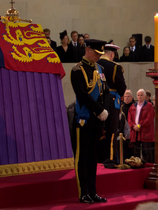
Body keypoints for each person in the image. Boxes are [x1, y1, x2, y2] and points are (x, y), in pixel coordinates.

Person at [71, 39, 110, 204]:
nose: (99, 56)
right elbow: (82, 95)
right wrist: (99, 110)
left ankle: (93, 192)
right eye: (97, 53)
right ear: (88, 50)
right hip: (84, 121)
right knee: (83, 158)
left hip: (97, 121)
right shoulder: (77, 70)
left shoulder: (100, 69)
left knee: (93, 158)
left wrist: (105, 111)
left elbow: (106, 92)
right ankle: (84, 192)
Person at [97, 44, 127, 163]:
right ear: (112, 54)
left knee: (99, 131)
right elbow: (122, 87)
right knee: (112, 132)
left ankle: (98, 159)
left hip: (97, 102)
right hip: (111, 102)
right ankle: (110, 159)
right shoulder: (115, 67)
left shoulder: (95, 65)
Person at [128, 89, 155, 163]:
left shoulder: (149, 106)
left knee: (147, 152)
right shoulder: (133, 106)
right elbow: (129, 118)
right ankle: (137, 167)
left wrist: (139, 126)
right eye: (138, 95)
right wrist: (133, 126)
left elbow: (149, 119)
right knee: (136, 152)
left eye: (141, 95)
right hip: (135, 131)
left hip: (146, 132)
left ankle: (149, 168)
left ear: (145, 96)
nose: (139, 97)